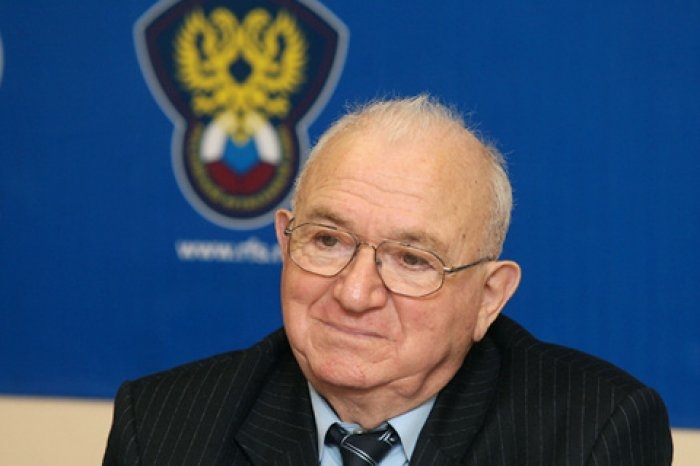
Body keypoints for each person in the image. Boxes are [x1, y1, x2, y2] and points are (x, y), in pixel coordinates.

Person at [103, 95, 673, 465]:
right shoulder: (160, 429)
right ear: (285, 241)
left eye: (412, 260)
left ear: (489, 297)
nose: (354, 295)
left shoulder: (594, 434)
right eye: (328, 241)